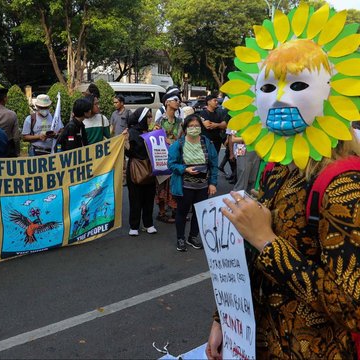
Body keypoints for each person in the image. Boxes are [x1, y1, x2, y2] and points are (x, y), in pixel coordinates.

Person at [207, 7, 360, 358]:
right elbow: (244, 259)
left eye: (298, 85)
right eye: (268, 86)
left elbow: (353, 308)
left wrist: (266, 240)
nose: (279, 99)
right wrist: (223, 319)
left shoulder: (343, 184)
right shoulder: (276, 171)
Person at [168, 114, 218, 251]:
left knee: (199, 212)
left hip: (202, 186)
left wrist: (213, 183)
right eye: (190, 126)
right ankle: (180, 238)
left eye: (196, 126)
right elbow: (171, 164)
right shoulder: (178, 144)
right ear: (185, 128)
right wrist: (185, 169)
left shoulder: (206, 142)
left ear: (201, 127)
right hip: (184, 186)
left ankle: (193, 237)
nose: (194, 128)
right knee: (182, 212)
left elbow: (214, 163)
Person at [124, 107, 157, 236]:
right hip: (135, 168)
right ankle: (134, 225)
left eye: (150, 116)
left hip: (150, 168)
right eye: (148, 117)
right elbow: (128, 151)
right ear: (141, 118)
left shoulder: (152, 132)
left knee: (149, 197)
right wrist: (125, 141)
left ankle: (148, 223)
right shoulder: (131, 132)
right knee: (135, 198)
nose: (150, 119)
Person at [154, 93, 183, 223]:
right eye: (175, 100)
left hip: (175, 158)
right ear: (167, 103)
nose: (178, 102)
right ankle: (161, 212)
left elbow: (182, 140)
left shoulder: (180, 122)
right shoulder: (159, 121)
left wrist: (173, 142)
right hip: (162, 158)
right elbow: (154, 138)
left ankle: (175, 211)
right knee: (162, 184)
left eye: (179, 100)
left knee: (174, 184)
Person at [0, 87, 20, 157]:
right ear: (5, 98)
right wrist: (17, 152)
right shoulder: (12, 114)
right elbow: (16, 137)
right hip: (8, 147)